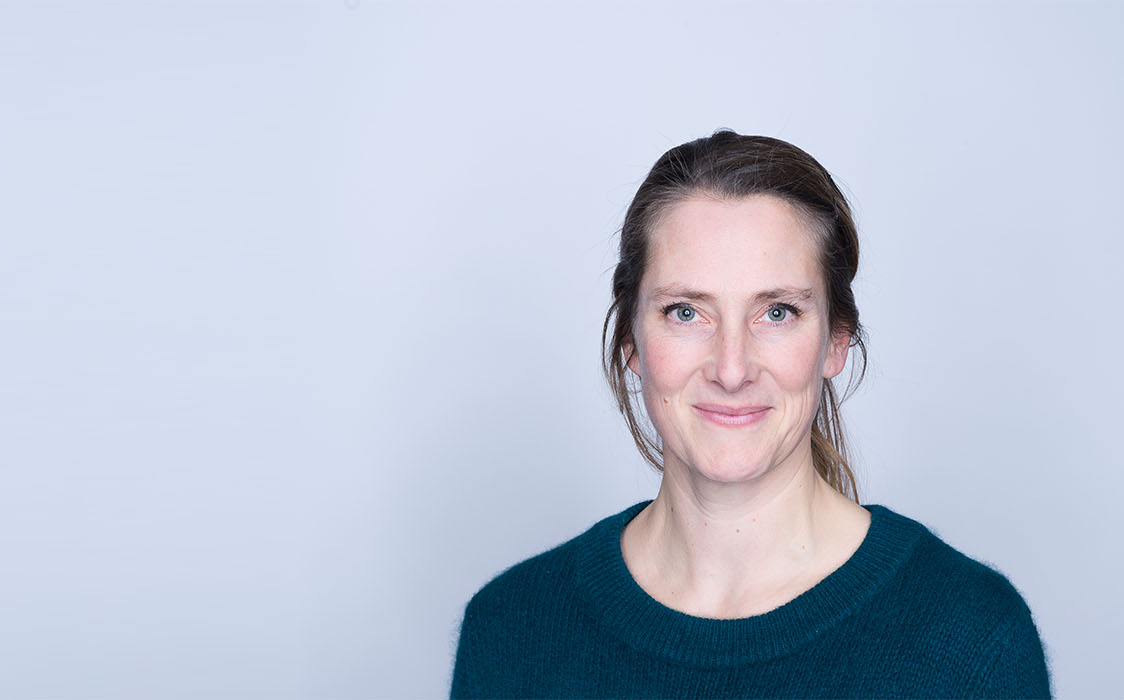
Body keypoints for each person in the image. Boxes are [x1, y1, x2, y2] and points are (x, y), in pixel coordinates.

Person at [448, 130, 1052, 698]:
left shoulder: (973, 638)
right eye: (686, 313)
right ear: (631, 341)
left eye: (778, 312)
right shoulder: (510, 630)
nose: (731, 369)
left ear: (836, 341)